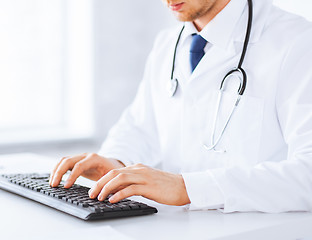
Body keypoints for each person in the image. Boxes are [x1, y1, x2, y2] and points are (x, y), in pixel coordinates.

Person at [49, 0, 312, 213]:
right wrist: (116, 163)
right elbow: (140, 128)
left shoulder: (297, 42)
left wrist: (189, 188)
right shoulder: (168, 43)